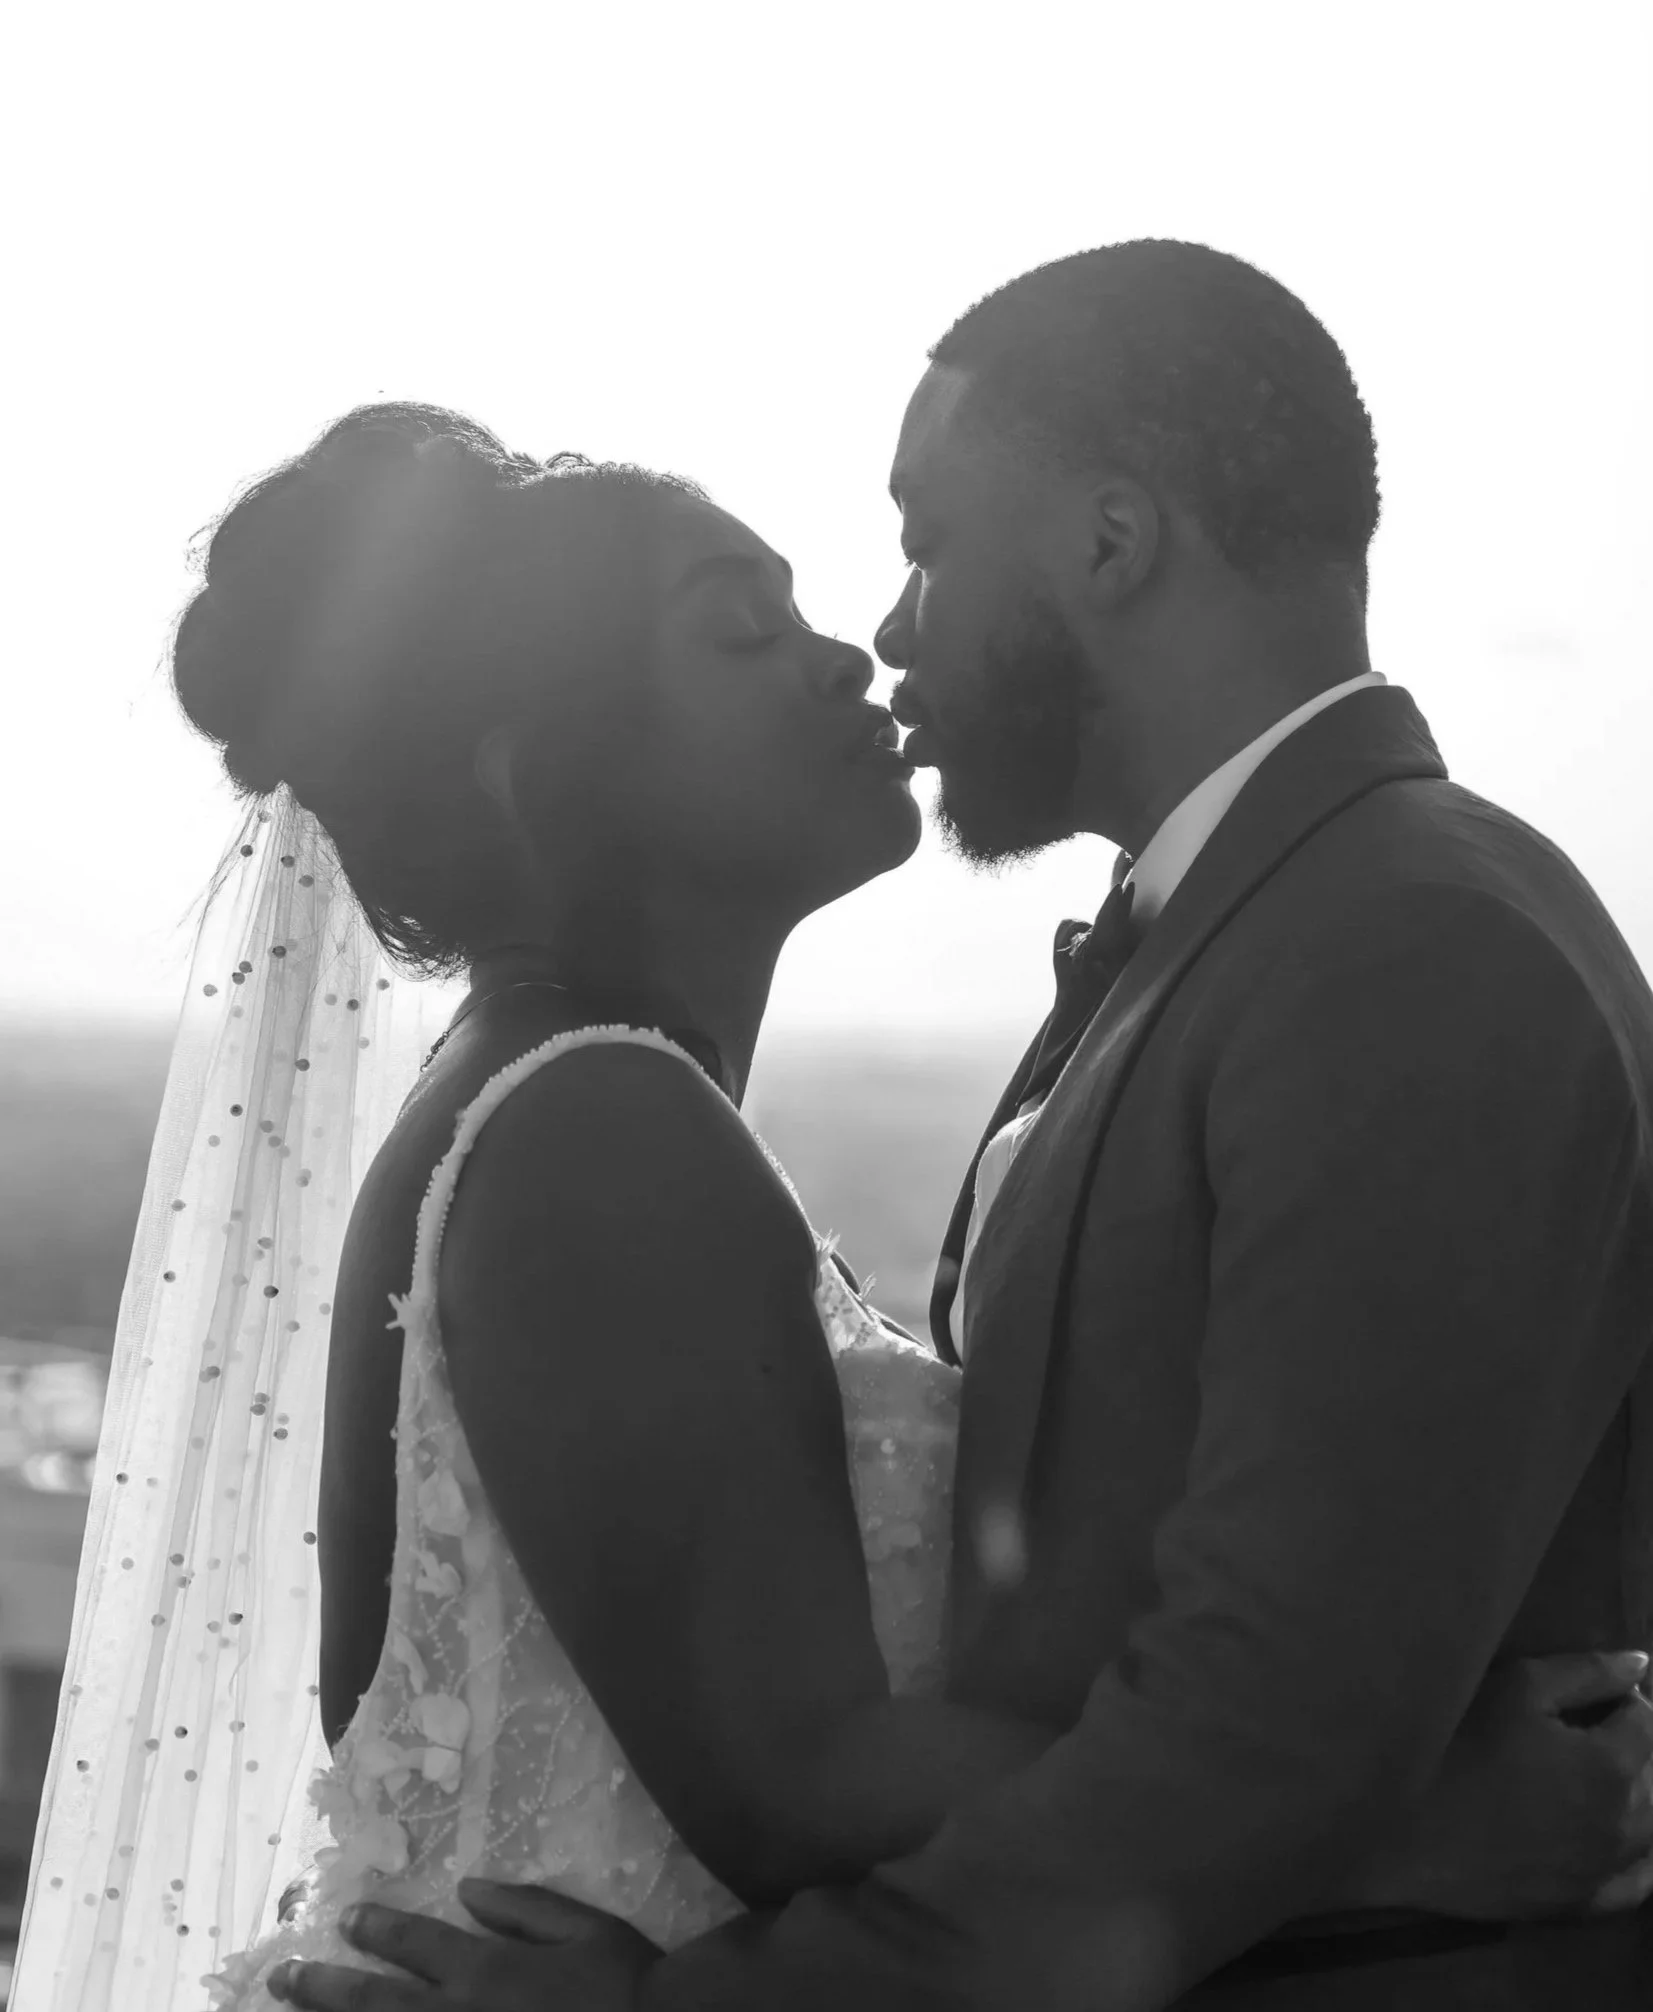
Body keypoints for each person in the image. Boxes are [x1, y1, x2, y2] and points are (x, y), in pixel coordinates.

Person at [273, 242, 1653, 2010]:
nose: (886, 632)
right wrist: (1418, 1822)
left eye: (924, 542)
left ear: (1108, 540)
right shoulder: (1231, 942)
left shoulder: (1412, 945)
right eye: (746, 628)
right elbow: (869, 1754)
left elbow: (1265, 1733)